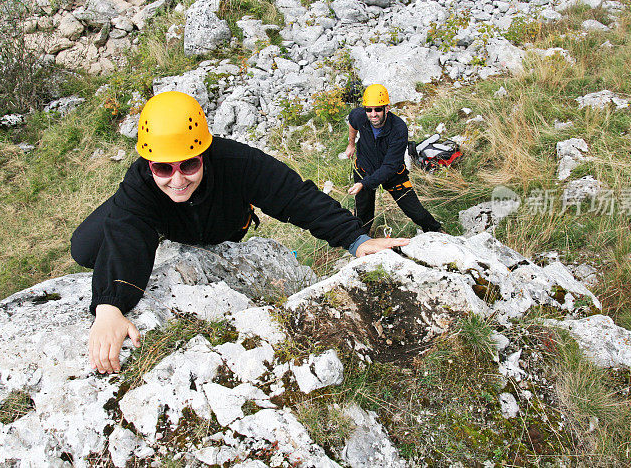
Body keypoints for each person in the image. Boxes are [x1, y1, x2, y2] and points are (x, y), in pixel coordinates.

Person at [71, 91, 408, 374]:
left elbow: (295, 195)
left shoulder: (236, 161)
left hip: (221, 224)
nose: (177, 179)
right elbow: (126, 230)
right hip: (161, 218)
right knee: (85, 249)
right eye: (162, 167)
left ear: (205, 152)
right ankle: (154, 228)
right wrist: (109, 307)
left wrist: (356, 239)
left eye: (189, 164)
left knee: (201, 232)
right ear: (147, 162)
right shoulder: (140, 182)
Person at [345, 84, 442, 236]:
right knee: (362, 213)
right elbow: (352, 124)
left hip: (393, 175)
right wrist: (351, 145)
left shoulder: (398, 129)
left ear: (387, 108)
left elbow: (390, 166)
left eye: (378, 109)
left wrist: (364, 184)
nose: (373, 114)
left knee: (415, 211)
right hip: (364, 169)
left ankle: (436, 230)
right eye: (369, 109)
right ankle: (360, 240)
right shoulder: (359, 116)